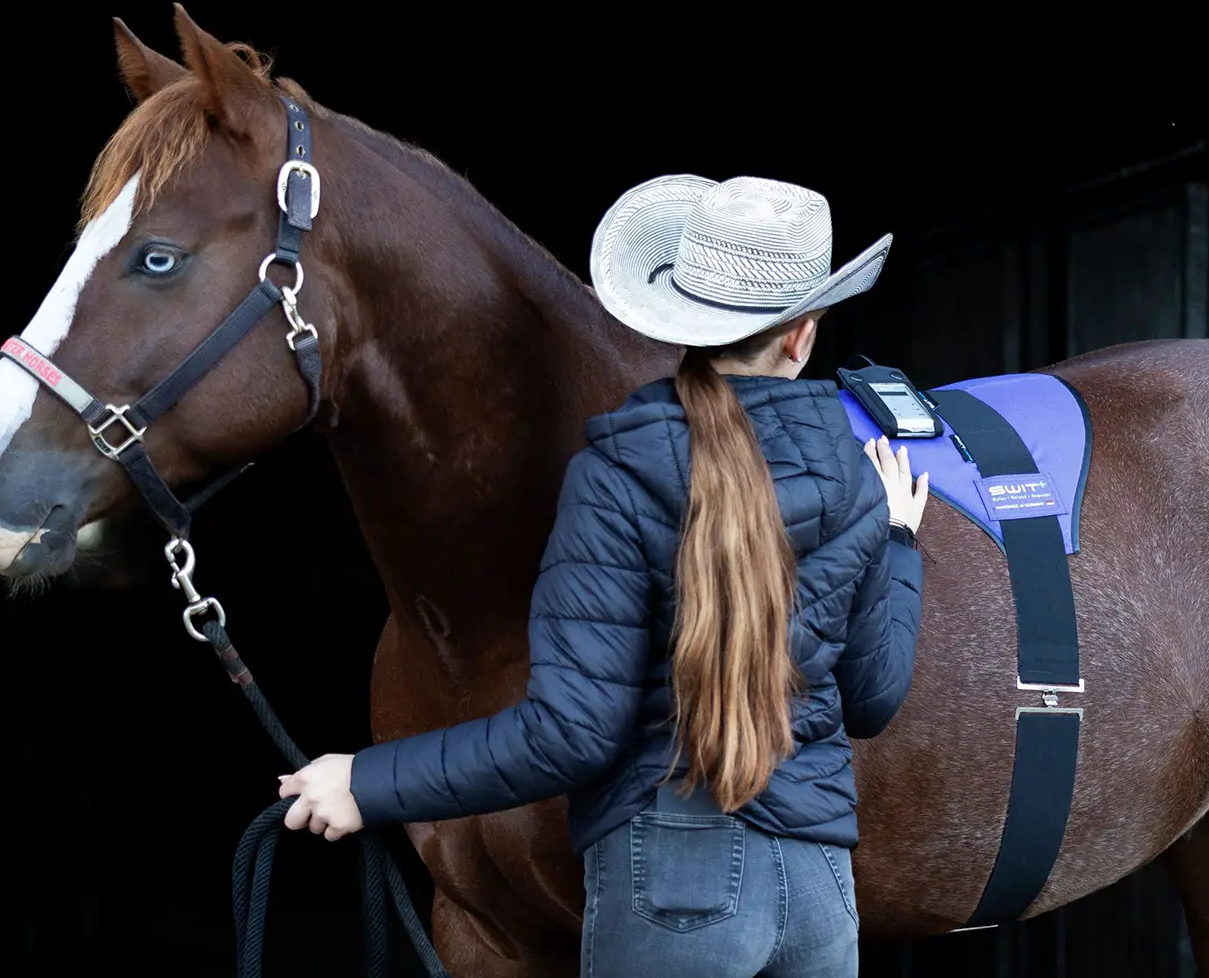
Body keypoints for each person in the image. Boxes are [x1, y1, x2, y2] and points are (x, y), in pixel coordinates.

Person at [278, 174, 928, 977]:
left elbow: (569, 735)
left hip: (675, 886)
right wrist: (900, 541)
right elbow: (873, 698)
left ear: (678, 318)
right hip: (821, 893)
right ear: (802, 335)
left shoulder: (618, 473)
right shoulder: (858, 479)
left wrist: (365, 784)